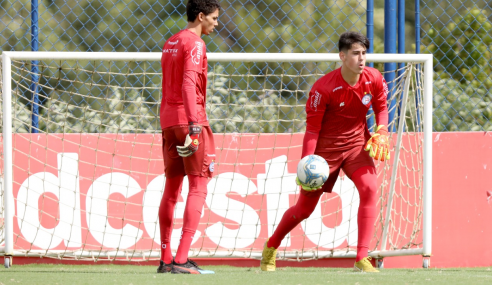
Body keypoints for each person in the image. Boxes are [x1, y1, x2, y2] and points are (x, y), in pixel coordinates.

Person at [260, 31, 390, 273]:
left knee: (370, 188)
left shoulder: (374, 78)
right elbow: (312, 131)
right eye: (355, 54)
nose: (361, 59)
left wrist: (382, 131)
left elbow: (381, 108)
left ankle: (362, 257)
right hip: (323, 156)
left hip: (355, 147)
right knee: (304, 210)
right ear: (342, 56)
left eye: (364, 53)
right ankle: (271, 246)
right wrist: (306, 162)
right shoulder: (323, 89)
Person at [157, 0, 220, 275]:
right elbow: (187, 83)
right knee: (198, 186)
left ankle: (165, 257)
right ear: (201, 16)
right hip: (189, 120)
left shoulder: (171, 41)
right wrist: (195, 125)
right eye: (215, 18)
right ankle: (182, 259)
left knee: (172, 188)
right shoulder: (195, 44)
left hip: (168, 121)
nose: (216, 24)